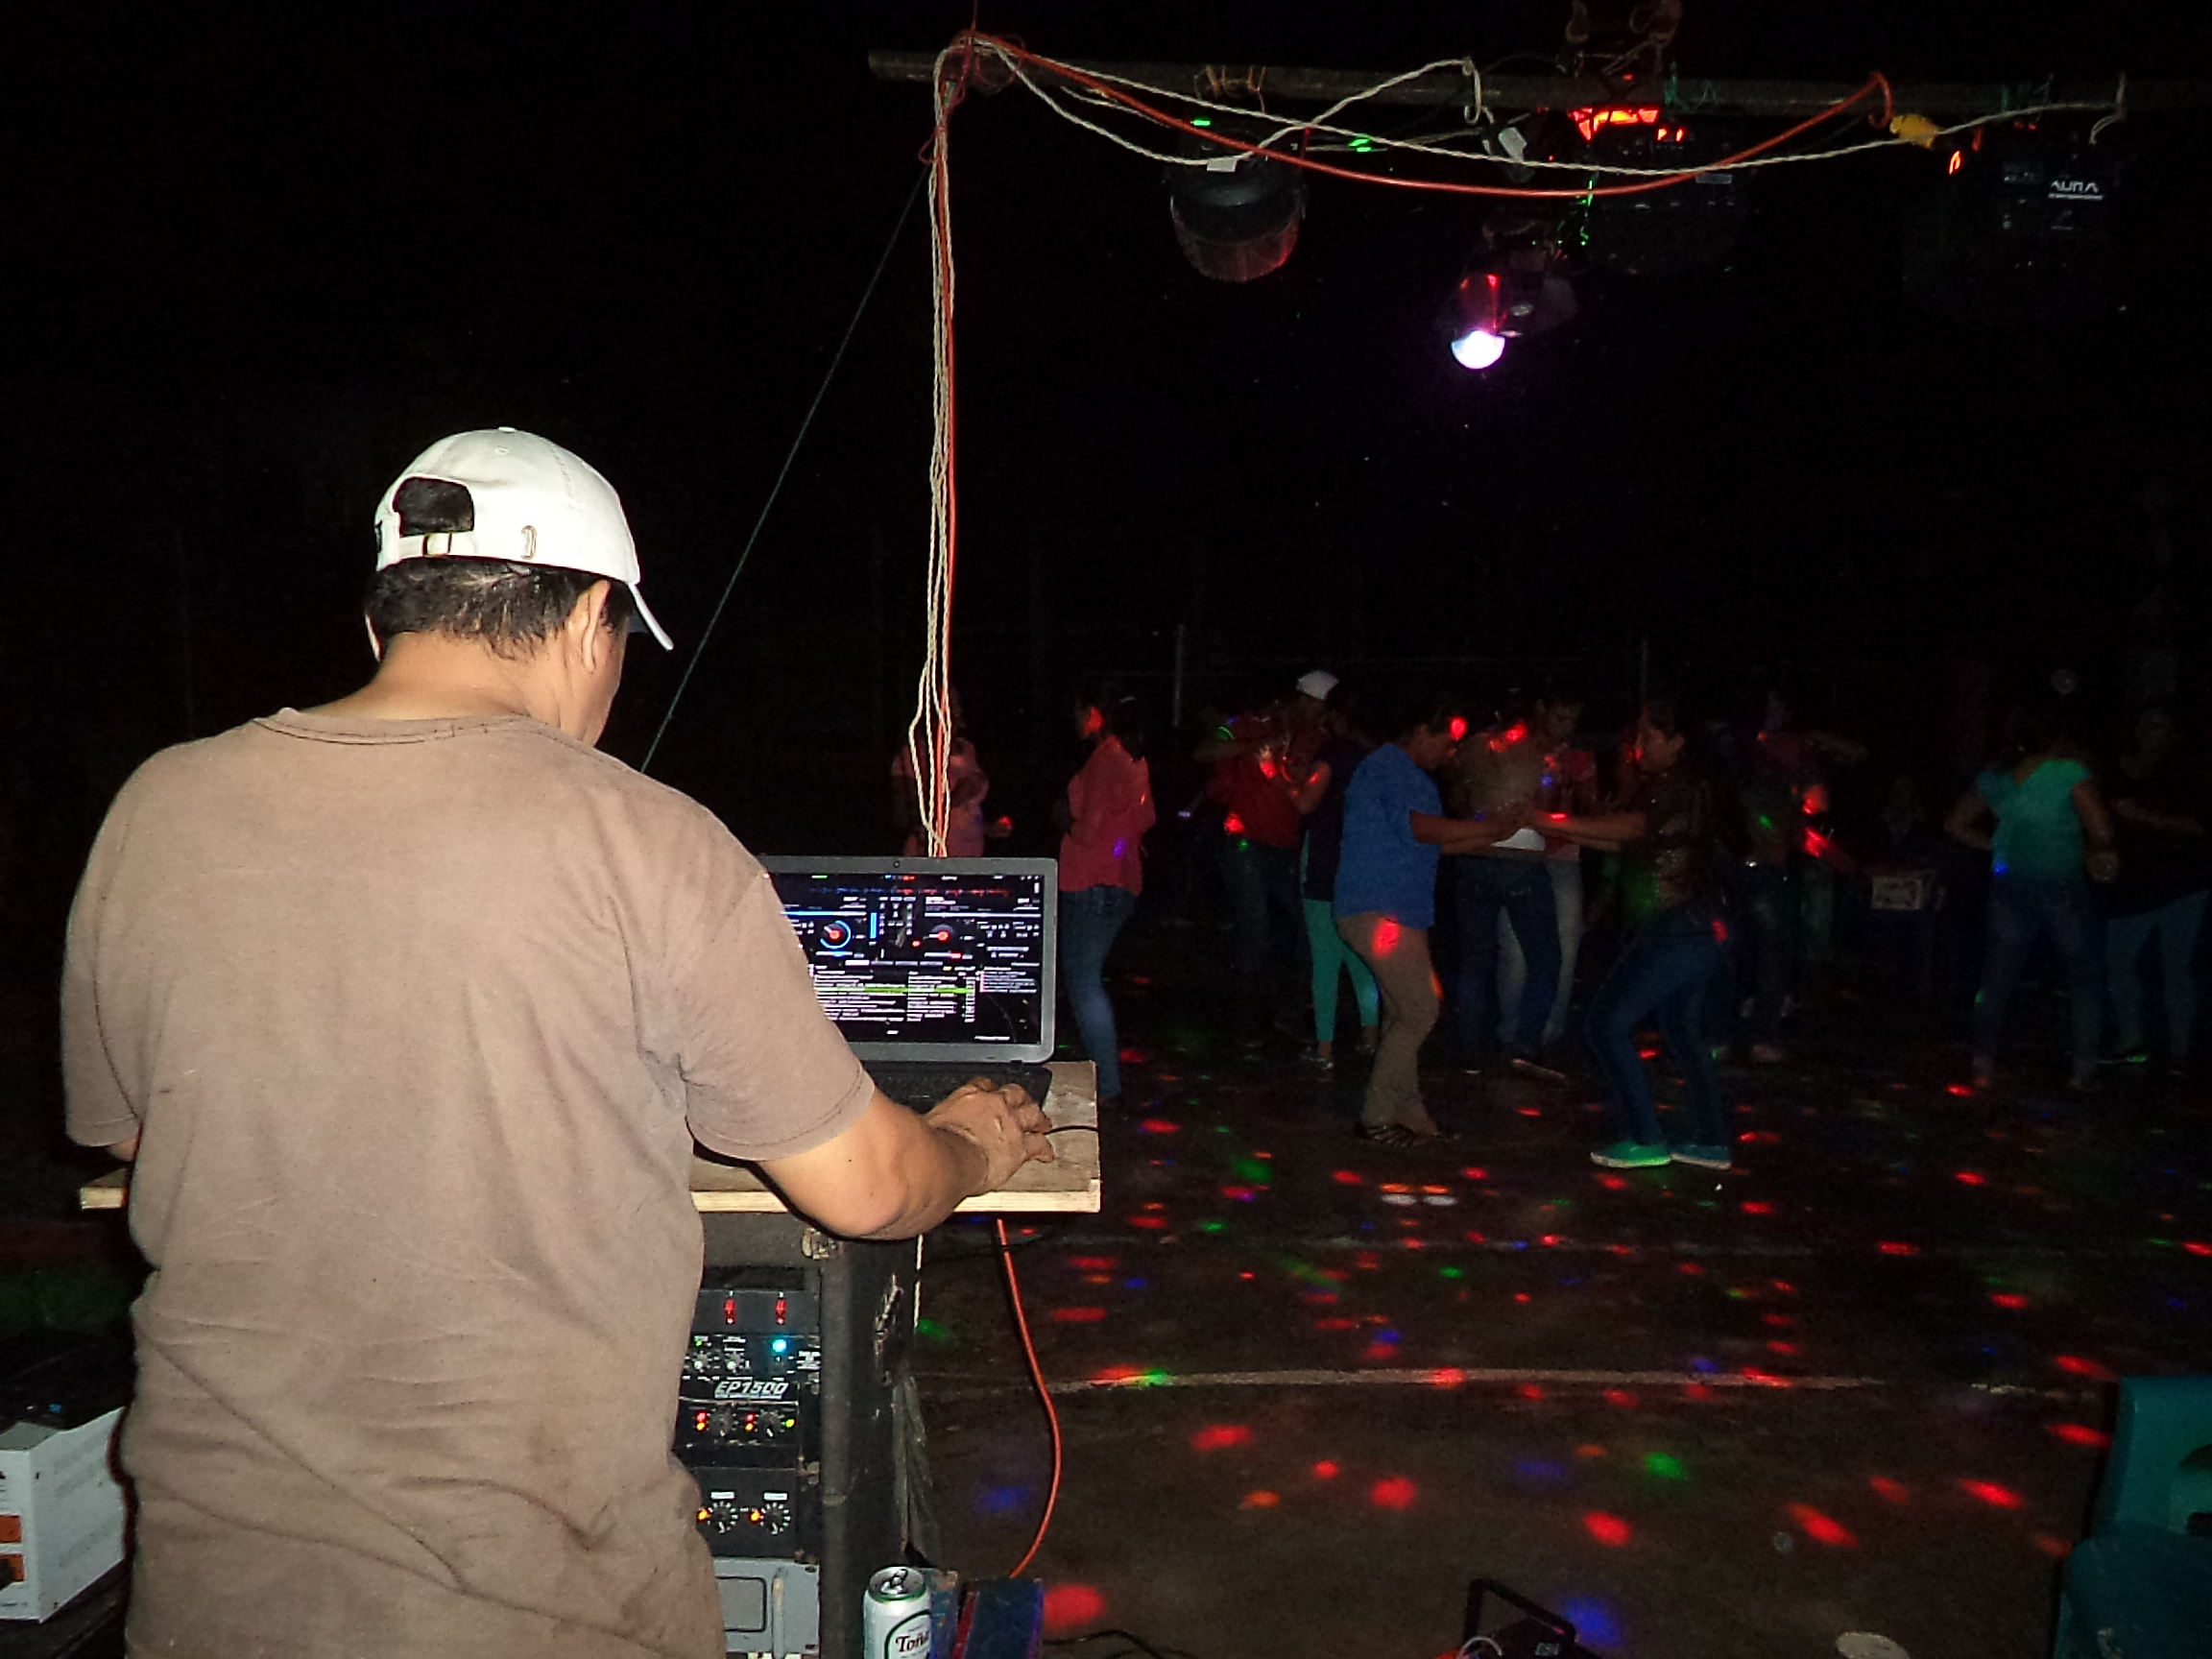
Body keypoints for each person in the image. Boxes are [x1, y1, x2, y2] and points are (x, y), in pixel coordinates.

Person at [60, 429, 1052, 1659]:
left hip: (216, 1589)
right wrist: (968, 1142)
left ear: (381, 622)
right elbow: (867, 1189)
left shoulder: (158, 809)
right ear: (592, 621)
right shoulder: (651, 839)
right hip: (543, 1603)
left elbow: (130, 1134)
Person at [1544, 700, 1734, 1170]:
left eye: (1649, 736)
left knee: (1606, 1024)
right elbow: (1625, 840)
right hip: (1698, 927)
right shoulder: (1682, 785)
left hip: (1679, 929)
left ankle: (1646, 1137)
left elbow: (1632, 829)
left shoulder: (1678, 786)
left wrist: (1544, 821)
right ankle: (1711, 1141)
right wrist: (1557, 827)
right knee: (1682, 1031)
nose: (1638, 746)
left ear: (1678, 742)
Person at [1334, 696, 1527, 1146]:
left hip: (1398, 911)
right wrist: (1490, 827)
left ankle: (1410, 1114)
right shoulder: (1386, 767)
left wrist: (1499, 833)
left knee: (1406, 1012)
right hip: (1379, 910)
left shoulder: (1410, 776)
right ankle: (1375, 1118)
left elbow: (1436, 843)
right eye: (1447, 741)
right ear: (1422, 731)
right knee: (1421, 1009)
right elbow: (1420, 829)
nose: (1451, 752)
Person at [1945, 699, 2117, 1091]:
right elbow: (2102, 829)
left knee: (1998, 975)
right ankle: (2083, 1070)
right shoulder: (2068, 772)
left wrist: (1999, 846)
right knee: (2083, 977)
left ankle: (1982, 1064)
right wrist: (2096, 851)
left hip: (2010, 883)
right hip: (2061, 886)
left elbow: (1954, 824)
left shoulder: (1997, 775)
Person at [1195, 670, 1334, 1040]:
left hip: (1286, 846)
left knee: (1307, 927)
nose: (1318, 714)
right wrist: (1257, 744)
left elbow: (1312, 791)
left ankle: (1288, 1013)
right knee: (1256, 926)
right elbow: (1205, 750)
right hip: (1244, 840)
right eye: (1314, 705)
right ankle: (1245, 1022)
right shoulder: (1249, 724)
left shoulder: (1320, 739)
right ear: (1299, 700)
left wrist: (1297, 775)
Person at [1440, 699, 1561, 1071]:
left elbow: (1458, 802)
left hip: (1475, 855)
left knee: (1475, 959)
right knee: (1544, 958)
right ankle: (1524, 1045)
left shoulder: (1468, 749)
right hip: (1521, 861)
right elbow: (1545, 805)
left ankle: (1470, 1049)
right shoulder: (1540, 752)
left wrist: (1481, 812)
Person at [1056, 684, 1155, 1104]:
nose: (1075, 720)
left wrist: (1063, 817)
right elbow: (1147, 817)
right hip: (1121, 879)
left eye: (1079, 711)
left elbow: (1087, 830)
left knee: (1084, 983)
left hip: (1091, 882)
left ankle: (1107, 1084)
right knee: (1087, 979)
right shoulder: (1134, 758)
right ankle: (1105, 1079)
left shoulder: (1104, 760)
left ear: (1095, 713)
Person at [2102, 707, 2207, 1074]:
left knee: (2175, 966)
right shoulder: (2120, 767)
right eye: (2144, 723)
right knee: (2117, 961)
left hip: (2180, 882)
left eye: (2157, 725)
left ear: (2173, 733)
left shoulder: (2187, 773)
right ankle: (2132, 1039)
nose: (2147, 730)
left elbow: (2198, 826)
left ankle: (2179, 1050)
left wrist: (2143, 816)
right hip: (2132, 882)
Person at [1499, 690, 1596, 1055]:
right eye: (1559, 718)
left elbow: (1591, 809)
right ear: (1542, 709)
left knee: (1566, 945)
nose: (1566, 727)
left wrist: (1571, 782)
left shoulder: (1578, 755)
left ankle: (1549, 1031)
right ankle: (1511, 1032)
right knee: (1515, 950)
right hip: (1518, 853)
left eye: (1572, 720)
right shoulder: (1514, 745)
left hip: (1563, 854)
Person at [1292, 685, 1380, 1068]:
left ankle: (1325, 1048)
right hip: (1364, 869)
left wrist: (1279, 779)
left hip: (1327, 863)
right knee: (1360, 954)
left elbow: (1305, 802)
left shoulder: (1333, 753)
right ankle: (1370, 1036)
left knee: (1325, 958)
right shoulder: (1380, 758)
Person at [892, 686, 992, 855]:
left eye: (957, 703)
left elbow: (966, 812)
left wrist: (988, 828)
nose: (956, 709)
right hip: (934, 857)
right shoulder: (913, 755)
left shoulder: (968, 749)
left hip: (971, 855)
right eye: (949, 703)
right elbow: (904, 819)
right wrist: (951, 799)